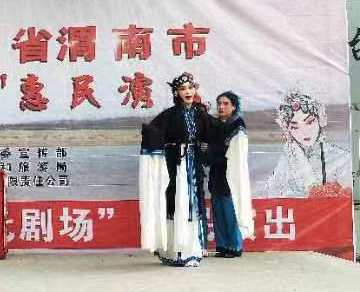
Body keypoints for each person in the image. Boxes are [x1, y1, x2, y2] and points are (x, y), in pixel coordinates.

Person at [139, 72, 214, 267]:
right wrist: (166, 145)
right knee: (176, 201)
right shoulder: (170, 114)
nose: (187, 92)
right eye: (182, 89)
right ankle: (175, 250)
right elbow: (153, 130)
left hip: (194, 165)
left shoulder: (200, 113)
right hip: (177, 165)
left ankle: (193, 248)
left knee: (194, 202)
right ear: (176, 93)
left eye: (190, 88)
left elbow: (211, 133)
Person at [263, 91, 351, 198]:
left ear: (320, 120)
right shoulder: (288, 158)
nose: (304, 132)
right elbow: (269, 197)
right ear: (287, 130)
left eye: (310, 122)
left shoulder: (342, 158)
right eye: (295, 127)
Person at [207, 91, 254, 257]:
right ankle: (222, 245)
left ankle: (235, 246)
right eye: (219, 103)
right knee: (218, 209)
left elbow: (237, 153)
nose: (221, 107)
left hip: (231, 174)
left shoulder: (237, 125)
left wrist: (218, 155)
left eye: (226, 103)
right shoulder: (214, 124)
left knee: (231, 210)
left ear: (234, 106)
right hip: (216, 172)